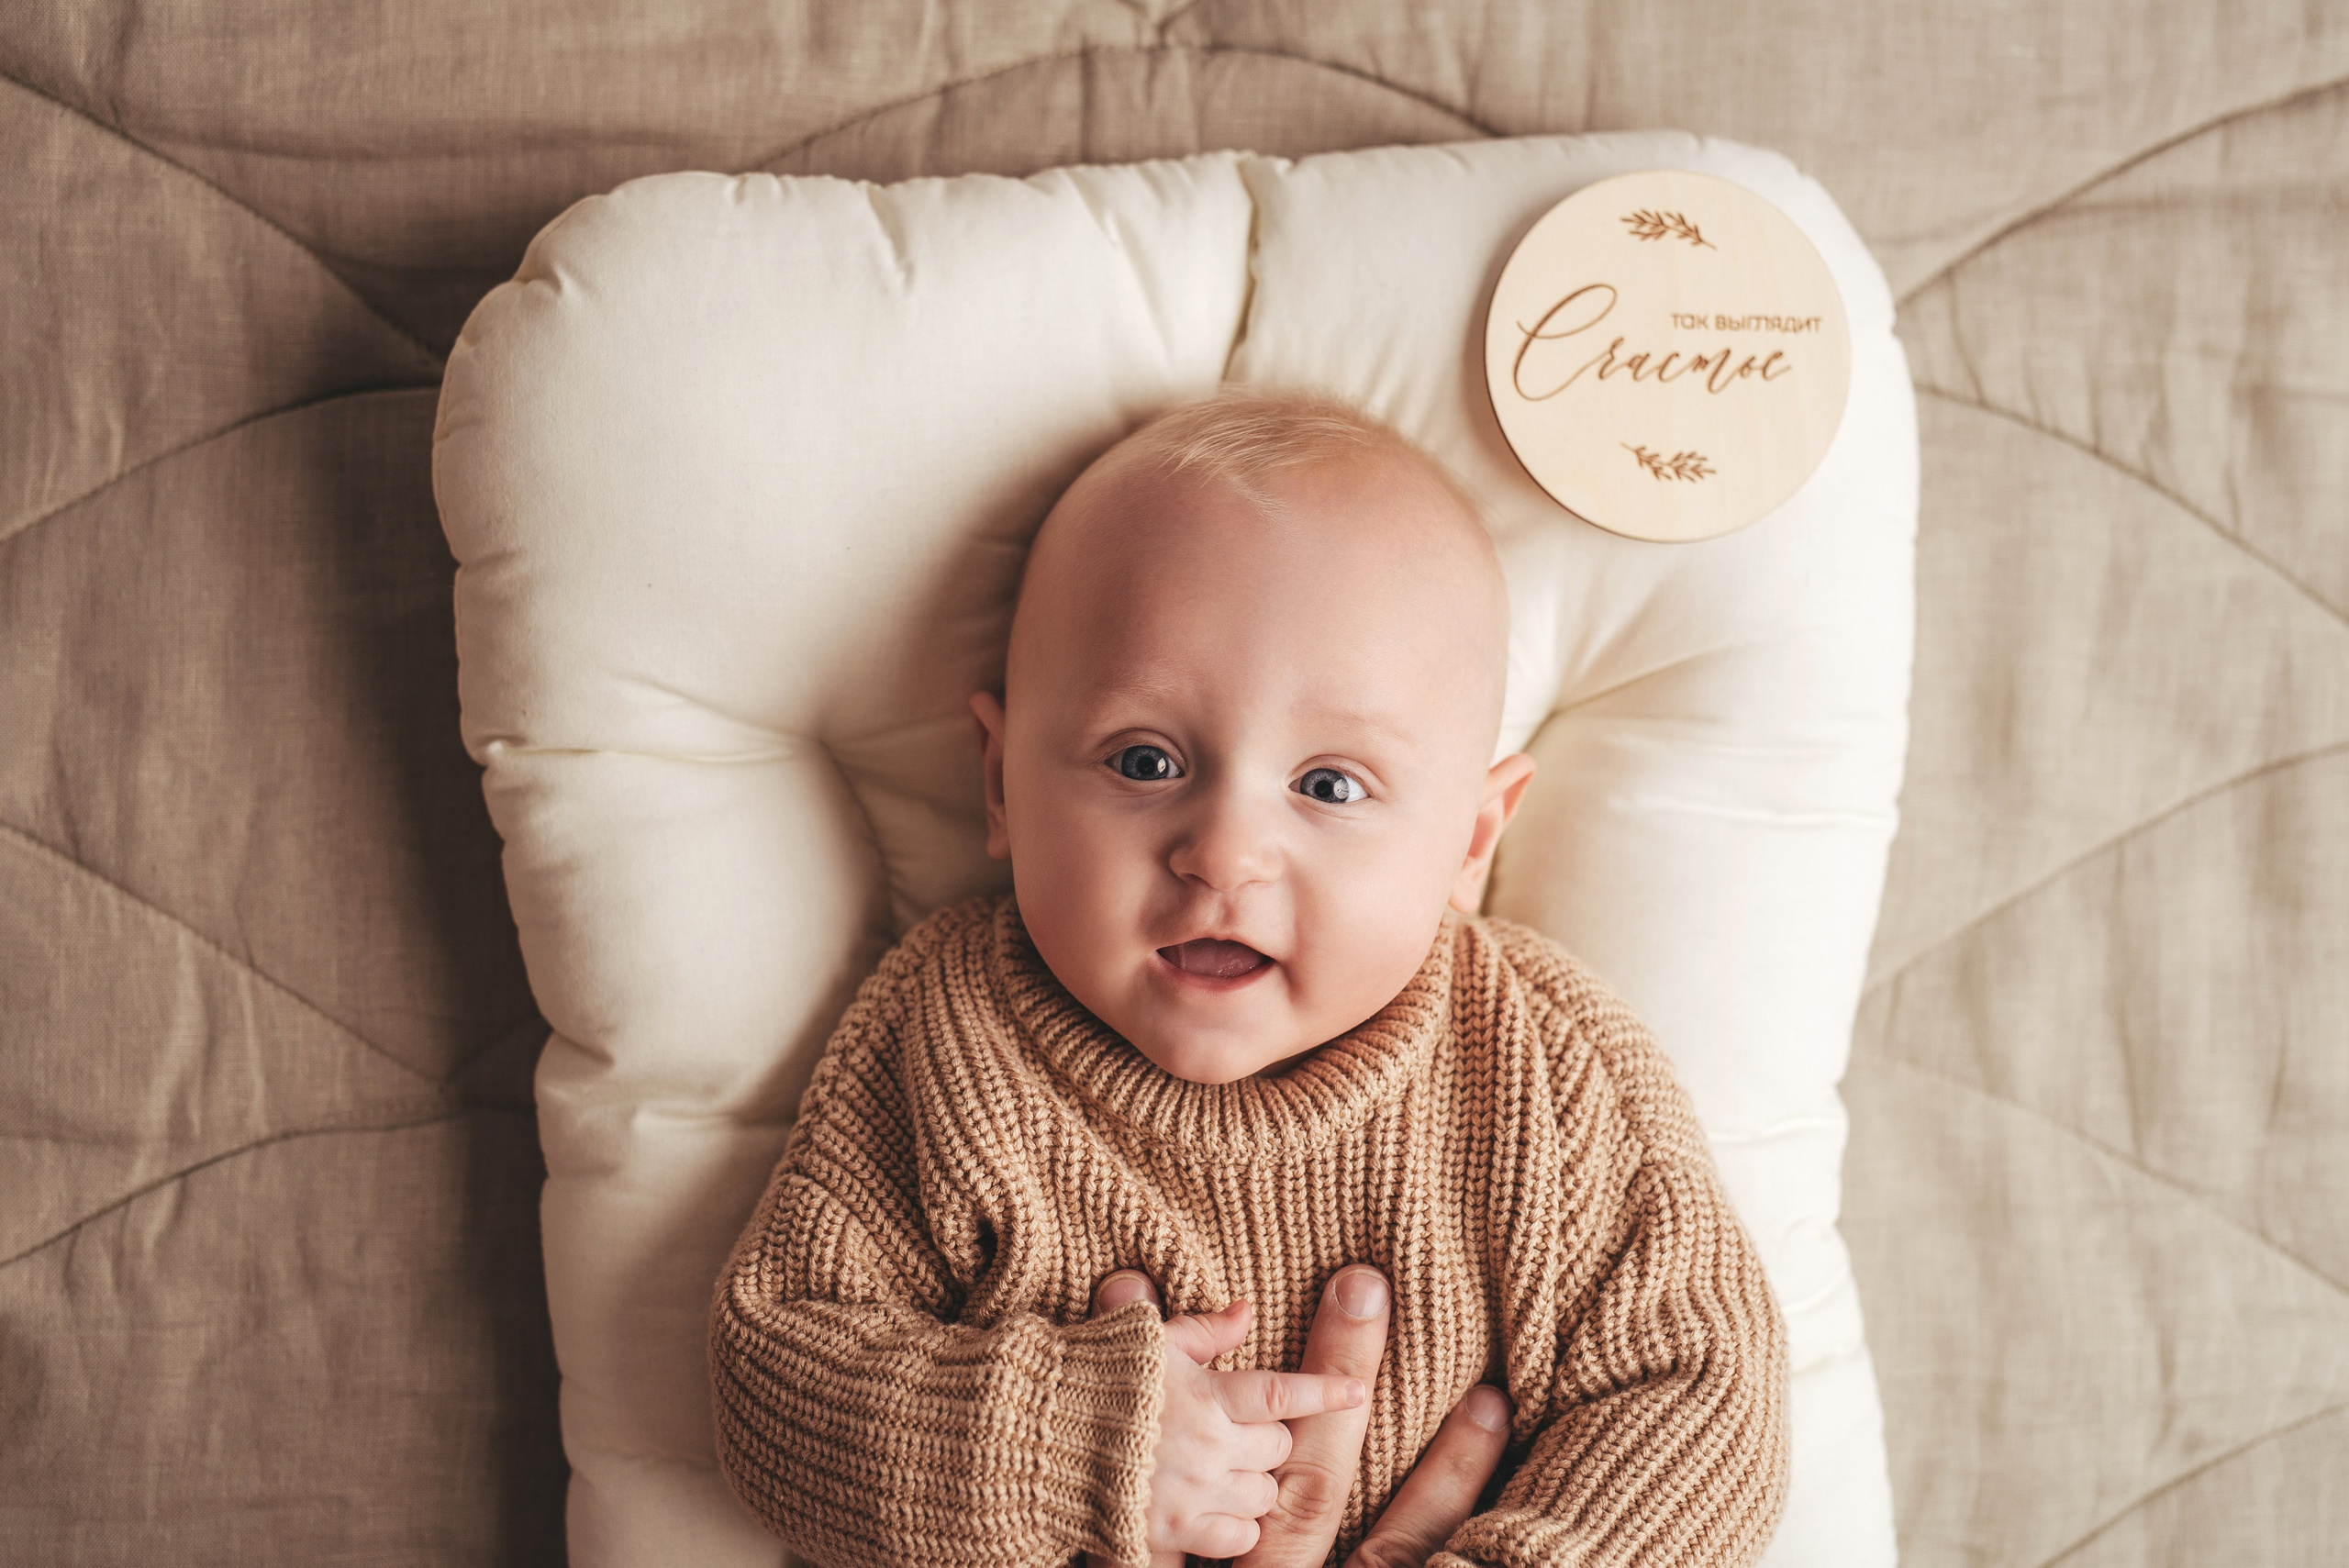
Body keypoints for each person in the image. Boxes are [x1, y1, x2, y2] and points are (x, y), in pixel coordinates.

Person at [709, 391, 1789, 1568]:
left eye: (1328, 785)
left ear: (1471, 839)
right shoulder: (955, 1032)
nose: (1223, 854)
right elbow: (775, 1375)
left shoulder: (1539, 1062)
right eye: (1144, 759)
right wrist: (1071, 1445)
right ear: (1001, 781)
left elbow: (1701, 1394)